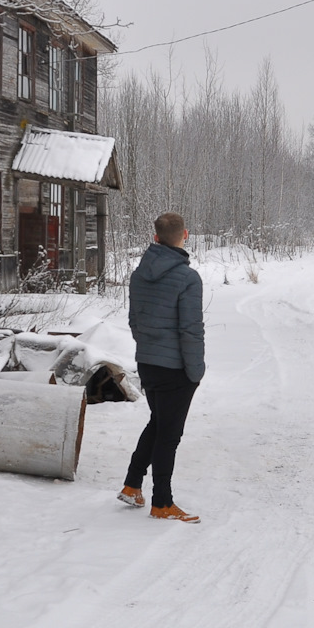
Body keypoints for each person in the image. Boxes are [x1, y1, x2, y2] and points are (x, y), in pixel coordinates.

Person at [121, 211, 205, 522]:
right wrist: (195, 371)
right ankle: (162, 503)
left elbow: (134, 321)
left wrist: (147, 348)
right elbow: (191, 329)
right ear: (185, 235)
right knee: (169, 435)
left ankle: (132, 485)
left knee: (158, 424)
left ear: (156, 238)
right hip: (175, 369)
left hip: (147, 362)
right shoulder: (188, 278)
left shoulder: (139, 274)